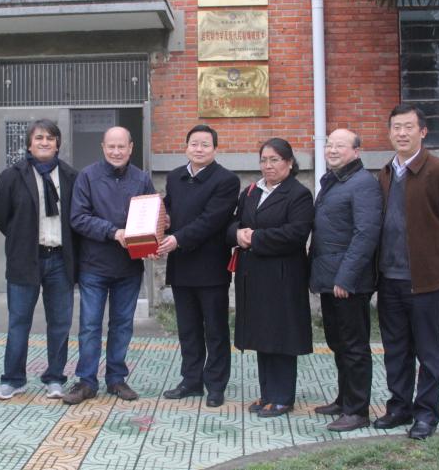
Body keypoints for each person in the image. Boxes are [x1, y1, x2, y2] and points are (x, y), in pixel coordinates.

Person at [375, 104, 439, 440]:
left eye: (408, 127)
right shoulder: (385, 174)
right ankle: (399, 406)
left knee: (428, 351)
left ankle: (426, 413)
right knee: (395, 349)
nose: (401, 133)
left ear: (423, 131)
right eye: (396, 127)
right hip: (389, 278)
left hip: (425, 282)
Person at [63, 126, 156, 405]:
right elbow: (78, 218)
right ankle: (86, 381)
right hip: (94, 265)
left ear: (131, 148)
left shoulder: (142, 179)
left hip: (129, 267)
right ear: (103, 147)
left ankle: (116, 378)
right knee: (90, 325)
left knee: (122, 325)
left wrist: (155, 235)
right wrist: (113, 232)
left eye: (121, 146)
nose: (116, 152)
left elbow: (152, 215)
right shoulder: (87, 176)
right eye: (111, 146)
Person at [0, 119, 78, 400]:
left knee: (60, 323)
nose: (44, 142)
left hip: (60, 260)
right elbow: (0, 214)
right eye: (39, 137)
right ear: (29, 144)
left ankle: (55, 378)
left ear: (58, 144)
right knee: (19, 322)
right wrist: (20, 238)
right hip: (25, 258)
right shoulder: (12, 176)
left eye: (50, 138)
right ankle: (13, 379)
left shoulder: (70, 176)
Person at [227, 138, 314, 418]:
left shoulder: (298, 194)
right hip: (253, 276)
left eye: (275, 160)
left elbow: (296, 233)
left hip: (283, 278)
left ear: (289, 162)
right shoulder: (252, 191)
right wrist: (237, 233)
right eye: (264, 160)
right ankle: (267, 394)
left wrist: (255, 238)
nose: (268, 165)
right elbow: (234, 221)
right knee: (262, 335)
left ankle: (282, 397)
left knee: (281, 336)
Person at [157, 124, 239, 408]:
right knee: (188, 329)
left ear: (215, 149)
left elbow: (211, 220)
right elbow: (168, 208)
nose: (199, 149)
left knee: (215, 329)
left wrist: (177, 239)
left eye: (205, 144)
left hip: (210, 267)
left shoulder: (226, 180)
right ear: (186, 147)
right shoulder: (175, 176)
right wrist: (162, 221)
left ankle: (215, 385)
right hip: (181, 267)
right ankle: (191, 381)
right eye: (194, 143)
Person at [309, 128, 382, 432]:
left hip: (348, 282)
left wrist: (346, 277)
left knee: (354, 346)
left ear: (356, 151)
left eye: (340, 145)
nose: (333, 150)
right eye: (329, 144)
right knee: (337, 342)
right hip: (330, 278)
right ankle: (344, 399)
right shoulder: (334, 180)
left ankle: (357, 410)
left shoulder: (363, 183)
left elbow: (366, 234)